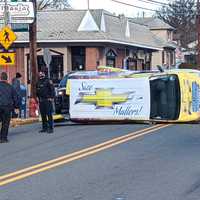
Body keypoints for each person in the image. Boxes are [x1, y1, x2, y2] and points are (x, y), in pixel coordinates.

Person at [0, 72, 20, 143]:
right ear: (7, 78)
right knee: (5, 123)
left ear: (0, 78)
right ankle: (3, 138)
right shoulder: (10, 87)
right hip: (7, 107)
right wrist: (16, 107)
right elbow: (15, 98)